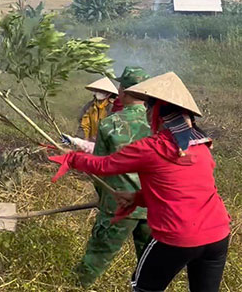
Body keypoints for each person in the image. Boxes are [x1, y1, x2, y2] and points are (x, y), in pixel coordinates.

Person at [49, 72, 230, 292]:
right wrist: (138, 198)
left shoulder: (150, 148)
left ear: (157, 114)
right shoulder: (200, 145)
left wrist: (71, 158)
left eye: (149, 108)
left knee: (144, 287)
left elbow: (104, 166)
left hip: (177, 235)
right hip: (218, 234)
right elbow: (181, 188)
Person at [63, 66, 152, 286]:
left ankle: (74, 288)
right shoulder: (158, 123)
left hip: (117, 205)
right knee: (151, 266)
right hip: (153, 204)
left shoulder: (110, 123)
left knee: (95, 259)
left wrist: (105, 198)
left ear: (122, 91)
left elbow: (98, 168)